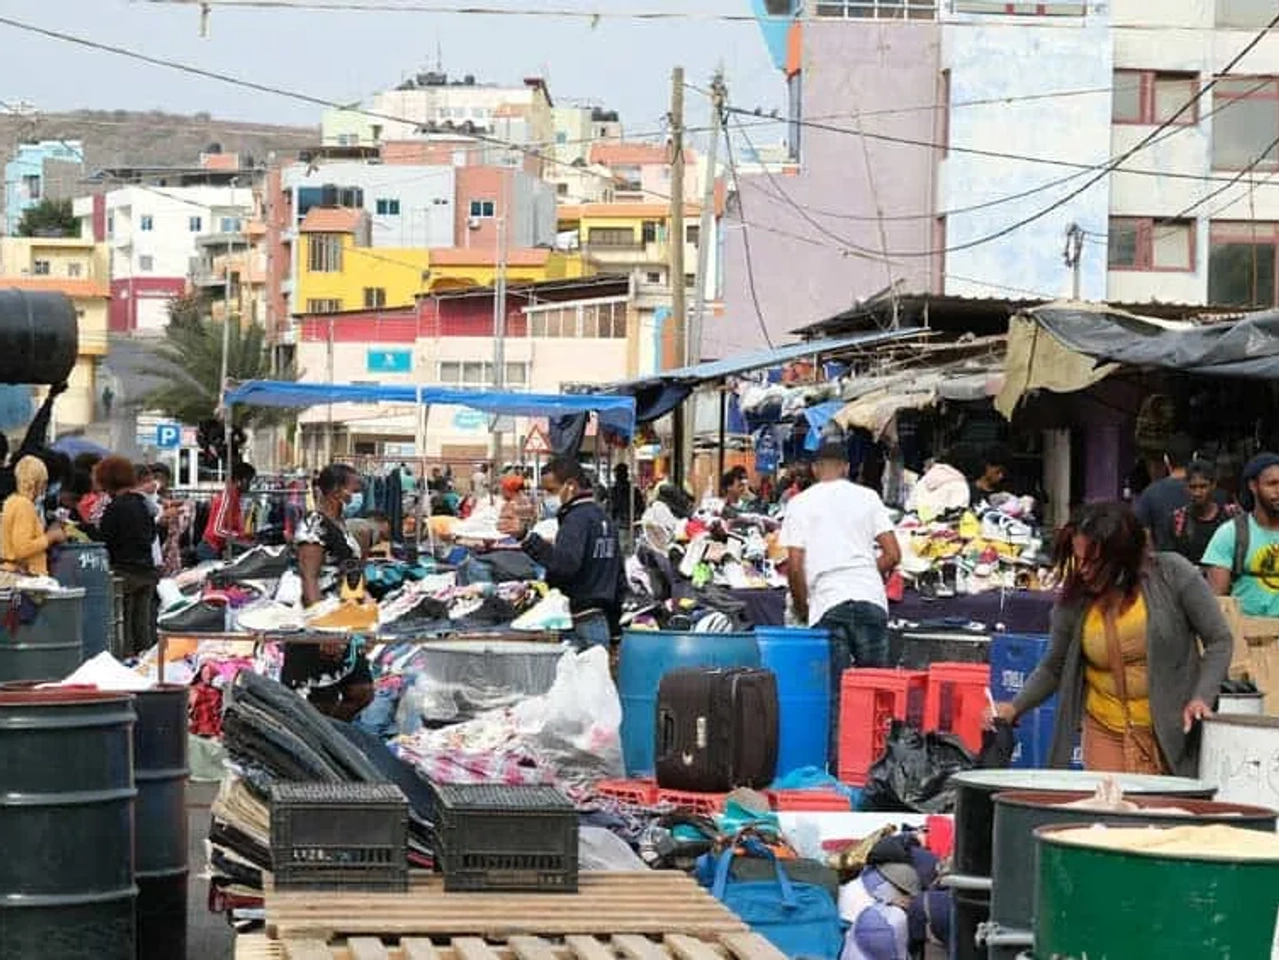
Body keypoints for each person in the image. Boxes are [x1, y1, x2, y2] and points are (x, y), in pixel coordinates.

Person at [991, 503, 1232, 776]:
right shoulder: (1073, 603)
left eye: (1093, 561)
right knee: (1110, 811)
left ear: (1122, 557)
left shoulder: (1173, 574)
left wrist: (1202, 697)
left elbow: (1219, 640)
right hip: (1105, 732)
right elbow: (1053, 667)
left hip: (1173, 734)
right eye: (1077, 558)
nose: (1082, 569)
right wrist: (1014, 707)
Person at [781, 439, 901, 759]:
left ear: (815, 468)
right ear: (847, 467)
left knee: (835, 695)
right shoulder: (868, 497)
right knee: (877, 693)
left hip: (828, 604)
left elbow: (794, 565)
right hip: (870, 600)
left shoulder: (800, 503)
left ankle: (838, 769)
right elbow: (892, 555)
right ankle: (881, 766)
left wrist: (804, 605)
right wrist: (864, 573)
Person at [503, 456, 623, 648]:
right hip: (602, 620)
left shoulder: (576, 520)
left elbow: (564, 565)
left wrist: (527, 538)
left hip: (580, 620)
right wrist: (615, 632)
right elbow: (618, 576)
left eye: (551, 490)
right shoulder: (603, 517)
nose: (547, 498)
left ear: (570, 486)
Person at [285, 464, 374, 720]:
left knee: (361, 691)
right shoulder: (314, 524)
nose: (358, 494)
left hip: (345, 619)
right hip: (321, 620)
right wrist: (323, 629)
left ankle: (331, 739)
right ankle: (318, 747)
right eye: (355, 488)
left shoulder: (341, 524)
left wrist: (365, 617)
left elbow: (351, 572)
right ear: (337, 491)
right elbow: (310, 578)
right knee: (319, 700)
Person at [92, 456, 160, 656]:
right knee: (143, 627)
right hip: (146, 572)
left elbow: (105, 540)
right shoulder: (143, 504)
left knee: (124, 626)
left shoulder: (115, 508)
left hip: (124, 573)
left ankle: (128, 662)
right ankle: (145, 664)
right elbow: (152, 534)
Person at [1203, 452, 1279, 617]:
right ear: (1253, 486)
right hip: (1247, 637)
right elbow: (1216, 602)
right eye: (1272, 483)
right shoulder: (1231, 534)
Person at [1, 456, 66, 578]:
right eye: (44, 482)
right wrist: (51, 537)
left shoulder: (12, 502)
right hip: (25, 579)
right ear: (36, 482)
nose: (45, 488)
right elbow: (22, 548)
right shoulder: (24, 506)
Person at [1133, 433, 1197, 551]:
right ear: (1195, 457)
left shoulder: (1150, 493)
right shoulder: (1213, 493)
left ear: (1166, 459)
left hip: (1164, 565)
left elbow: (1144, 536)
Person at [1168, 459, 1238, 565]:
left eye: (1203, 486)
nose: (1197, 493)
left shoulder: (1230, 515)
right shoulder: (1178, 520)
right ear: (1186, 487)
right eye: (1193, 487)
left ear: (1213, 485)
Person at [199, 461, 257, 561]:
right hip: (210, 550)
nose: (250, 485)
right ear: (241, 481)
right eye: (249, 481)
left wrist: (245, 536)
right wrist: (240, 536)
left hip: (216, 549)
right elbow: (217, 530)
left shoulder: (234, 498)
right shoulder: (227, 498)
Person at [968, 443, 1013, 509]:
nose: (1001, 476)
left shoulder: (1004, 493)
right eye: (997, 472)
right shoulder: (969, 491)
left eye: (1004, 472)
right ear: (987, 466)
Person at [498, 473, 537, 540]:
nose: (501, 492)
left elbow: (501, 528)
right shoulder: (527, 501)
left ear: (509, 490)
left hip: (511, 541)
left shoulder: (509, 506)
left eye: (503, 489)